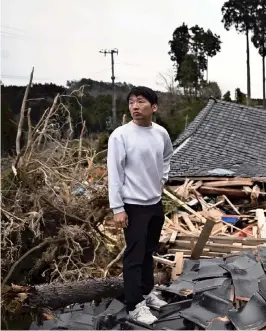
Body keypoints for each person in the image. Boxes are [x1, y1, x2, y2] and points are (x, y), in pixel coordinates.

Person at [107, 86, 174, 324]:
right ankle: (134, 304)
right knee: (134, 257)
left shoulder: (160, 133)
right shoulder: (120, 136)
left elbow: (167, 156)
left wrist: (162, 179)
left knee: (148, 252)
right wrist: (118, 208)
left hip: (154, 202)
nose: (135, 106)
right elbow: (114, 173)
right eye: (132, 102)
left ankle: (147, 293)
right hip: (133, 205)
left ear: (153, 107)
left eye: (141, 102)